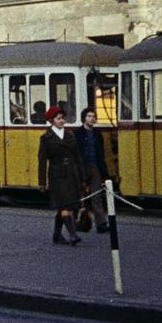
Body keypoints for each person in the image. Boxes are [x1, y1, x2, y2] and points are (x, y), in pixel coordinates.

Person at [38, 104, 85, 245]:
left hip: (71, 173)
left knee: (65, 205)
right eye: (58, 119)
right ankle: (73, 235)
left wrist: (82, 176)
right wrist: (42, 182)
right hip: (57, 174)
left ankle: (57, 235)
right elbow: (42, 160)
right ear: (51, 121)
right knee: (65, 206)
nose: (62, 121)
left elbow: (77, 156)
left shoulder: (70, 135)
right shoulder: (46, 138)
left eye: (63, 118)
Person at [75, 108, 111, 233]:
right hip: (81, 167)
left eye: (94, 116)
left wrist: (104, 172)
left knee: (97, 195)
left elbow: (101, 154)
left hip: (94, 166)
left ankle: (101, 224)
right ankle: (79, 222)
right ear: (84, 118)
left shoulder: (97, 134)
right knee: (80, 196)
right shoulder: (77, 133)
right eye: (89, 116)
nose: (92, 118)